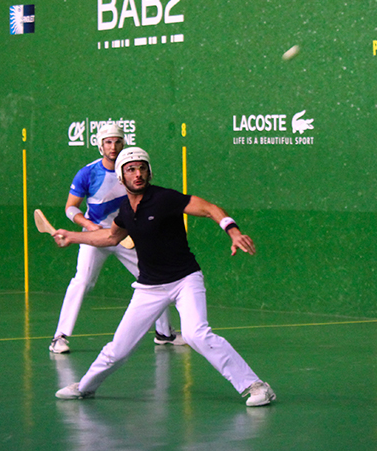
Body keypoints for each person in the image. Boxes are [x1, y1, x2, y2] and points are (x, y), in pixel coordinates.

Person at [50, 146, 276, 406]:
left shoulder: (165, 199)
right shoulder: (125, 210)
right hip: (149, 287)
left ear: (149, 172)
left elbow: (210, 209)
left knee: (196, 334)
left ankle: (256, 386)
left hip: (184, 280)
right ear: (122, 177)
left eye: (142, 168)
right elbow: (110, 237)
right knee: (119, 348)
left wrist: (233, 231)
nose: (138, 174)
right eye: (131, 169)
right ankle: (86, 387)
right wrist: (72, 236)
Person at [49, 123, 184, 354]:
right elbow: (71, 208)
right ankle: (59, 337)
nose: (113, 147)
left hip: (126, 236)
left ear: (124, 143)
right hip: (96, 236)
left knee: (153, 279)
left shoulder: (131, 171)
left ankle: (164, 334)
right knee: (82, 281)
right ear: (100, 146)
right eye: (108, 142)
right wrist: (87, 224)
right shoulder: (88, 173)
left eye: (118, 141)